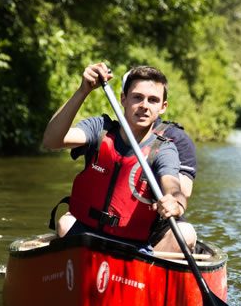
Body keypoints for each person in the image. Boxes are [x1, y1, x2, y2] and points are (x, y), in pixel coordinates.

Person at [42, 63, 196, 252]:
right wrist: (83, 91)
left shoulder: (165, 149)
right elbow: (51, 140)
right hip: (84, 236)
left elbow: (172, 185)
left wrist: (175, 202)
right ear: (123, 99)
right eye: (137, 97)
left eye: (153, 100)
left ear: (163, 107)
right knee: (64, 225)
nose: (144, 106)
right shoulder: (99, 128)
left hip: (133, 248)